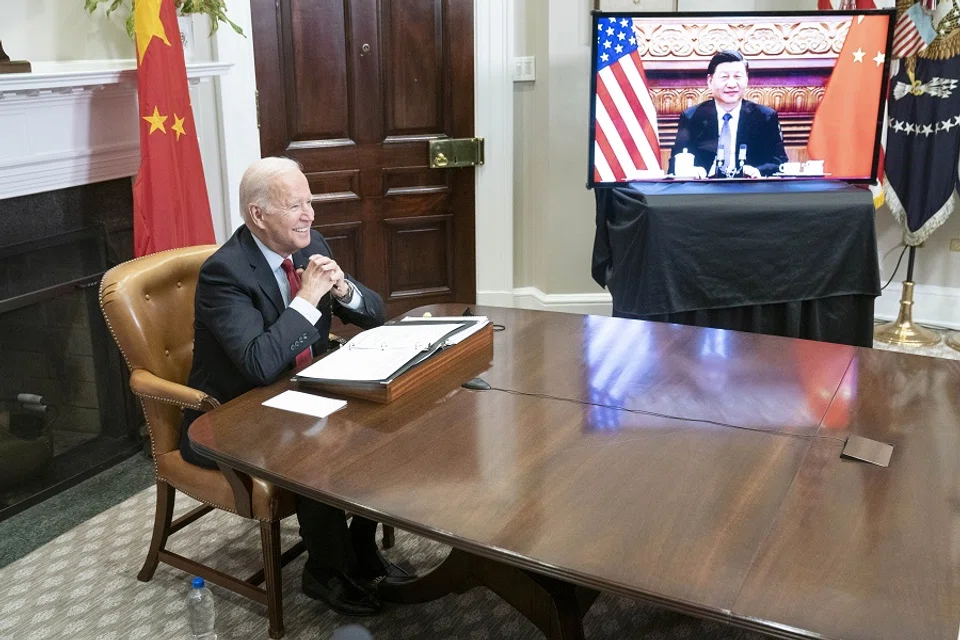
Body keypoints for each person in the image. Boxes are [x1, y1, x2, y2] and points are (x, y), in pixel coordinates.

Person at [179, 156, 410, 616]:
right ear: (258, 215)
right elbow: (260, 364)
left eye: (309, 202)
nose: (310, 215)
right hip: (234, 413)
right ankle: (324, 570)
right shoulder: (224, 274)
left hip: (301, 390)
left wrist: (343, 291)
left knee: (386, 423)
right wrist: (307, 298)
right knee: (315, 445)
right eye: (295, 205)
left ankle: (359, 548)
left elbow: (376, 314)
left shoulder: (309, 243)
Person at [669, 50, 788, 178]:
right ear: (710, 81)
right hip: (705, 191)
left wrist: (757, 171)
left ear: (746, 80)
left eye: (738, 77)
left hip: (749, 191)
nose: (731, 84)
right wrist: (691, 171)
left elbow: (779, 163)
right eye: (724, 77)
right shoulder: (692, 117)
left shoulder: (765, 117)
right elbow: (675, 164)